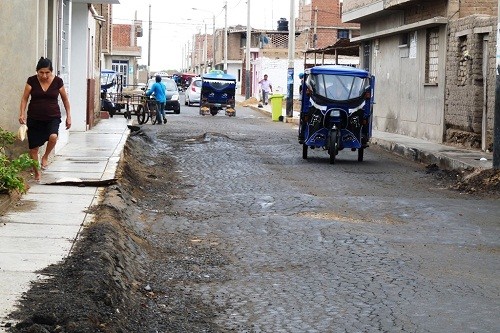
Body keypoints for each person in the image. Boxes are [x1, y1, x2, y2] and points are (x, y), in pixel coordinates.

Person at [19, 57, 72, 182]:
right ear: (37, 71)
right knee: (33, 149)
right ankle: (37, 173)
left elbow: (65, 99)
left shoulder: (58, 81)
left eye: (47, 72)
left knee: (53, 137)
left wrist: (69, 116)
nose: (44, 75)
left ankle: (45, 157)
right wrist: (22, 113)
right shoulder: (31, 81)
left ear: (51, 71)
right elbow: (25, 98)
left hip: (52, 117)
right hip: (34, 118)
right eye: (41, 72)